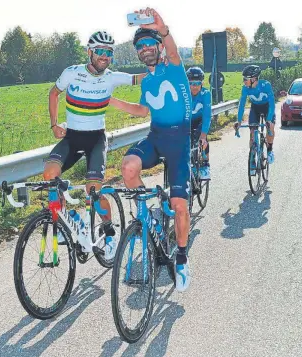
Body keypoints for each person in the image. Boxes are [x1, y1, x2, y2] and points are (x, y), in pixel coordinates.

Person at [109, 7, 192, 292]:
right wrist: (114, 102)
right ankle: (148, 213)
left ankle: (181, 257)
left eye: (149, 44)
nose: (145, 49)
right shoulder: (148, 80)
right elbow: (144, 109)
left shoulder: (174, 68)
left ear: (158, 47)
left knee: (180, 205)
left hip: (179, 140)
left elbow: (172, 48)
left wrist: (162, 28)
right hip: (156, 136)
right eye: (140, 47)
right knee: (128, 166)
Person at [44, 30, 145, 259]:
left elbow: (140, 78)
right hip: (72, 137)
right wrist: (53, 124)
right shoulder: (72, 73)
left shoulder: (112, 77)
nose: (104, 56)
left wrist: (164, 68)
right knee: (50, 174)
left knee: (94, 191)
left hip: (96, 139)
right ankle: (71, 221)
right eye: (100, 51)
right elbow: (53, 93)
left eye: (109, 52)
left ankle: (109, 234)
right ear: (89, 52)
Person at [234, 65, 276, 175]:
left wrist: (269, 119)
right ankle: (252, 158)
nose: (244, 82)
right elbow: (242, 104)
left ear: (253, 79)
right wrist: (238, 121)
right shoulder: (245, 89)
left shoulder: (265, 85)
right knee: (252, 132)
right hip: (255, 108)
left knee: (270, 126)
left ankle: (270, 150)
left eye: (245, 79)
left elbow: (272, 103)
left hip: (267, 108)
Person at [186, 67, 211, 180]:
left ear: (202, 83)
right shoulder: (183, 94)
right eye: (191, 83)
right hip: (187, 121)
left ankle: (205, 165)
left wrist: (203, 135)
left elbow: (207, 115)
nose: (194, 86)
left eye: (197, 83)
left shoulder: (206, 94)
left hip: (200, 120)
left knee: (202, 140)